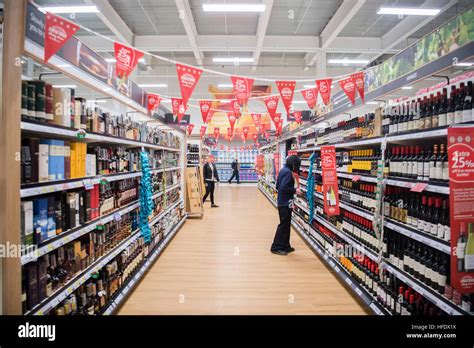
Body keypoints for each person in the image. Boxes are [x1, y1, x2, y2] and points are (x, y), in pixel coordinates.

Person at [270, 155, 301, 256]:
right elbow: (283, 188)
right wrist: (295, 190)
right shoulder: (288, 172)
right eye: (297, 165)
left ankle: (285, 246)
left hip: (284, 201)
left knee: (287, 224)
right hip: (285, 202)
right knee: (283, 225)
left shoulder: (283, 170)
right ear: (293, 164)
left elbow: (278, 186)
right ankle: (276, 247)